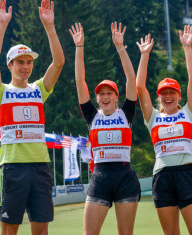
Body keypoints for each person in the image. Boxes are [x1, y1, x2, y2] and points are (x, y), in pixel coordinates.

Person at [0, 0, 64, 234]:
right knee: (9, 231)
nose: (26, 67)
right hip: (12, 168)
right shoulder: (0, 92)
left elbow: (58, 63)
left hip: (40, 167)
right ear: (10, 65)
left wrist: (50, 27)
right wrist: (2, 25)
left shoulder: (38, 90)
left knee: (41, 230)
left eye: (29, 62)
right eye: (20, 62)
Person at [69, 22, 140, 235]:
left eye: (110, 93)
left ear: (117, 97)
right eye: (101, 93)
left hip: (124, 176)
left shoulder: (126, 113)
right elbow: (79, 80)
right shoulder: (92, 115)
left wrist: (120, 47)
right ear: (97, 98)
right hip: (99, 176)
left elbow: (131, 79)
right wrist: (79, 47)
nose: (105, 96)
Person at [136, 26, 192, 235]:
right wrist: (144, 55)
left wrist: (187, 47)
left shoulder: (189, 113)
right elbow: (139, 87)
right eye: (163, 93)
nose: (168, 96)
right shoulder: (153, 117)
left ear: (178, 95)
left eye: (172, 92)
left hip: (186, 175)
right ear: (159, 97)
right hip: (162, 177)